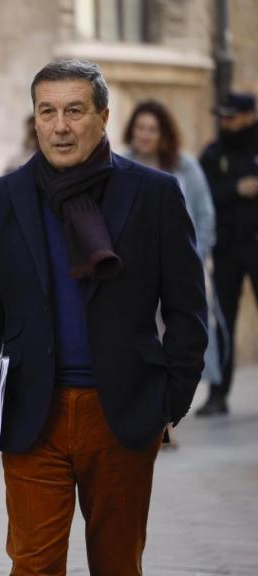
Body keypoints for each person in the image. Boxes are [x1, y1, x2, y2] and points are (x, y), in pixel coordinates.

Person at [0, 58, 207, 574]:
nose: (60, 125)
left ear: (103, 116)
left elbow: (187, 310)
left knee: (118, 564)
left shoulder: (154, 194)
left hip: (121, 413)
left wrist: (168, 404)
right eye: (46, 111)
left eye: (74, 110)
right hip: (33, 413)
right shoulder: (1, 199)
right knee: (33, 564)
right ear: (34, 119)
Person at [123, 100, 222, 389]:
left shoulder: (184, 166)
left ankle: (175, 405)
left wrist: (195, 257)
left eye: (152, 129)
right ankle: (156, 406)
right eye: (140, 128)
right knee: (142, 338)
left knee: (179, 334)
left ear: (164, 133)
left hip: (179, 269)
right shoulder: (120, 166)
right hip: (136, 271)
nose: (145, 135)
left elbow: (205, 216)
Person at [198, 92, 258, 416]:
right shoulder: (213, 152)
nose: (226, 122)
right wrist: (237, 188)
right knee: (222, 322)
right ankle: (218, 394)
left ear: (249, 116)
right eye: (222, 116)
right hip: (228, 249)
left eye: (232, 116)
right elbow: (203, 192)